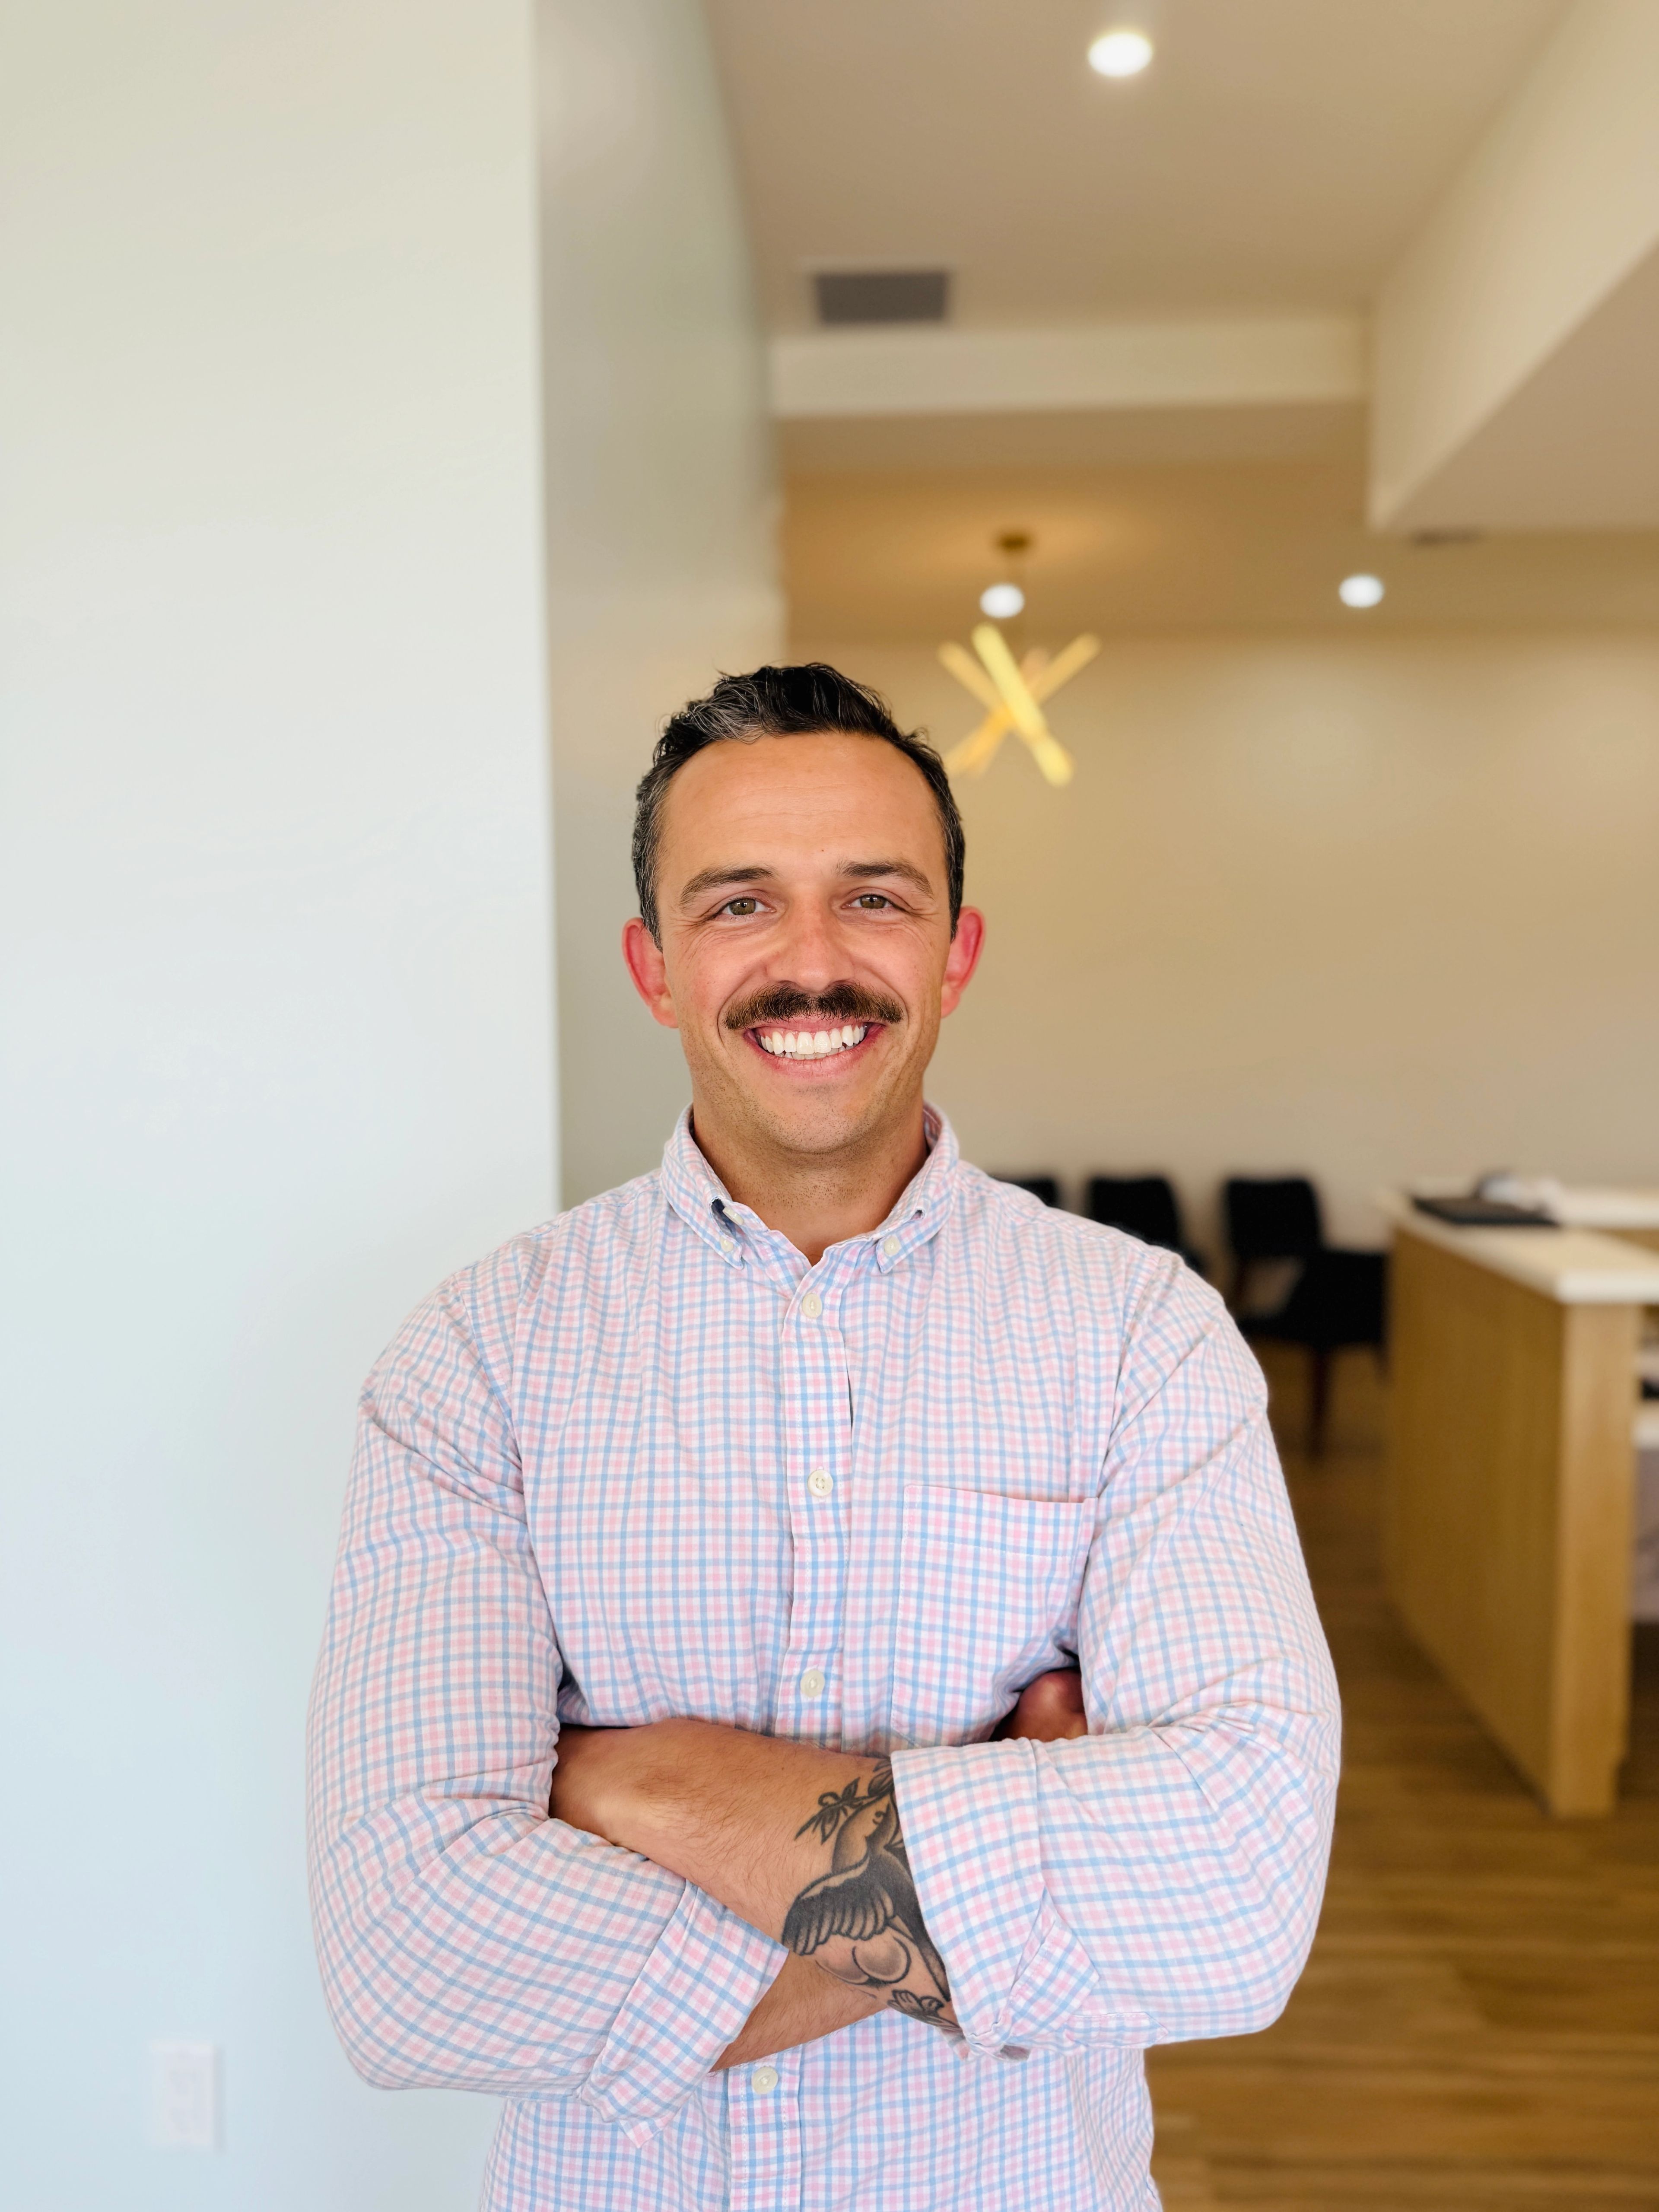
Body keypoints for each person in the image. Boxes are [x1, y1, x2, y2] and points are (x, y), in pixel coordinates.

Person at [307, 664, 1340, 2212]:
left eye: (874, 899)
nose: (810, 964)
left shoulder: (1143, 1334)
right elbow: (409, 1960)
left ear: (954, 950)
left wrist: (641, 1789)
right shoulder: (480, 1356)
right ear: (654, 967)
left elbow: (1231, 1904)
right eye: (738, 906)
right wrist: (1006, 1863)